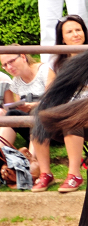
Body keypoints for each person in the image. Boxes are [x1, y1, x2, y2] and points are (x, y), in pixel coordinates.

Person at [34, 15, 88, 192]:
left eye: (78, 30)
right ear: (62, 38)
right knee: (39, 117)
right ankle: (45, 174)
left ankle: (74, 175)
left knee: (71, 119)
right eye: (69, 31)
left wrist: (76, 108)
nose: (76, 34)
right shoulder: (55, 63)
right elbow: (50, 95)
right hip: (64, 116)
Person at [0, 52, 50, 190]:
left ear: (22, 57)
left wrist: (31, 106)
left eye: (11, 62)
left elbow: (53, 101)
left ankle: (30, 163)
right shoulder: (16, 82)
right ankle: (4, 156)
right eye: (5, 65)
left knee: (37, 113)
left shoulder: (44, 71)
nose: (9, 67)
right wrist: (22, 107)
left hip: (50, 125)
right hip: (32, 126)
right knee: (11, 114)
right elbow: (20, 108)